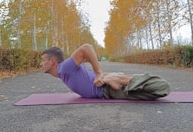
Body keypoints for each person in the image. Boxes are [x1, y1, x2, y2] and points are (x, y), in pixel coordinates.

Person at [41, 43, 170, 100]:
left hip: (108, 89)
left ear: (52, 61)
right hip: (107, 85)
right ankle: (115, 77)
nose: (41, 64)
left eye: (43, 60)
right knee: (151, 91)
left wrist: (99, 73)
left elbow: (86, 48)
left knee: (161, 87)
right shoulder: (63, 72)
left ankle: (117, 79)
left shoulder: (64, 68)